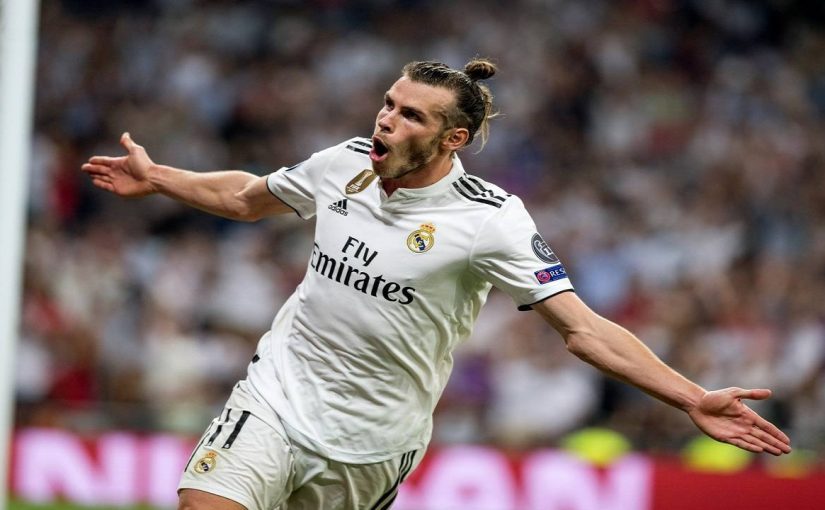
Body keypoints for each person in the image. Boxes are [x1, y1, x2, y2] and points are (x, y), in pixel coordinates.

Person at [82, 59, 791, 510]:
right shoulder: (344, 162)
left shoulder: (489, 220)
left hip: (371, 444)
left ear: (452, 140)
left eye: (410, 115)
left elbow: (583, 329)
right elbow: (246, 198)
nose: (386, 120)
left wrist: (691, 396)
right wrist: (160, 177)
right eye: (389, 104)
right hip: (273, 399)